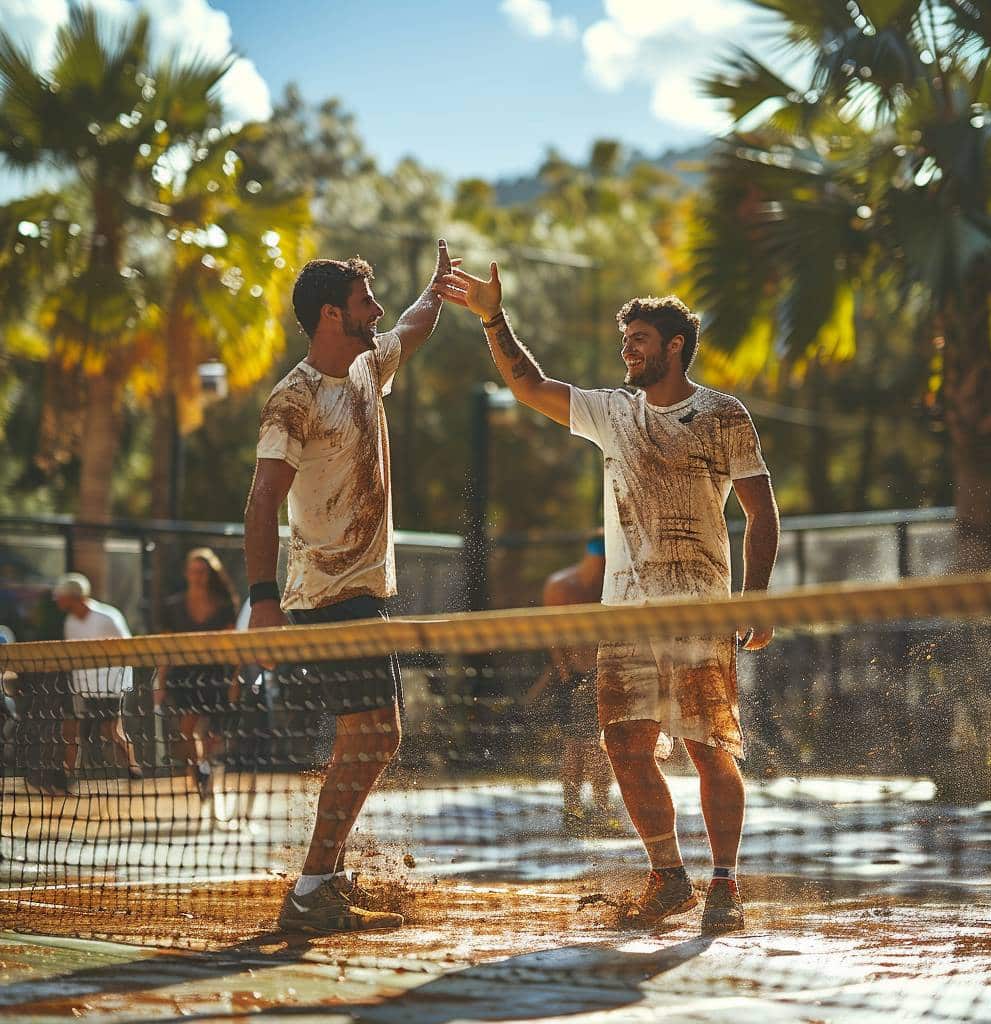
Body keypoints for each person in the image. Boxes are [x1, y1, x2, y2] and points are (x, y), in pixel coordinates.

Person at [436, 265, 780, 934]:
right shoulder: (612, 411)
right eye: (626, 339)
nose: (629, 350)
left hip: (700, 610)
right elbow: (529, 385)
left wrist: (756, 600)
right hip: (624, 616)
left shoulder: (721, 416)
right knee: (624, 744)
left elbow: (761, 513)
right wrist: (491, 317)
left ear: (675, 345)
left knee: (710, 748)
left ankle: (725, 883)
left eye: (641, 339)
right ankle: (668, 876)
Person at [244, 241, 454, 934]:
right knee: (378, 734)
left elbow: (416, 326)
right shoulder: (293, 397)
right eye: (367, 301)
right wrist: (263, 601)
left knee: (368, 736)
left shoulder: (368, 364)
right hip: (327, 593)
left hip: (362, 592)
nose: (379, 310)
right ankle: (313, 887)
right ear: (333, 313)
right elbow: (261, 502)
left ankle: (322, 880)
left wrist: (437, 285)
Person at [525, 532, 619, 835]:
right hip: (578, 677)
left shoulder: (613, 585)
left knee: (602, 747)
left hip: (605, 675)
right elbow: (555, 640)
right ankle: (574, 810)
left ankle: (599, 808)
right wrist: (566, 676)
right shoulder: (563, 587)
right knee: (578, 747)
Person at [154, 548, 239, 800]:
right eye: (193, 571)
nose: (198, 576)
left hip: (214, 675)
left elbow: (232, 647)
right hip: (183, 677)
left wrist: (234, 680)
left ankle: (208, 766)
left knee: (214, 734)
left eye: (202, 571)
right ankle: (198, 772)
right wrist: (160, 682)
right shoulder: (173, 607)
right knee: (186, 728)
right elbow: (166, 647)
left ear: (210, 574)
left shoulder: (225, 606)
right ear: (187, 573)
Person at [53, 573, 142, 785]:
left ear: (74, 596)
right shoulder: (70, 621)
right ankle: (68, 774)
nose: (57, 600)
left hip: (110, 685)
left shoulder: (108, 617)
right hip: (82, 685)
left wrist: (120, 681)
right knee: (72, 728)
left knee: (110, 730)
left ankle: (133, 768)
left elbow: (127, 647)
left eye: (61, 596)